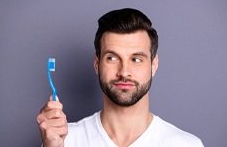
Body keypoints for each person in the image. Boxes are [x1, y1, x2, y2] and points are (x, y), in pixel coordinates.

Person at [37, 8, 204, 147]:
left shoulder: (187, 144)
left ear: (154, 65)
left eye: (136, 59)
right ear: (97, 63)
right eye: (112, 58)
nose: (124, 72)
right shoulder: (63, 141)